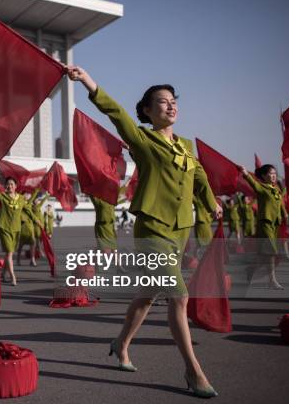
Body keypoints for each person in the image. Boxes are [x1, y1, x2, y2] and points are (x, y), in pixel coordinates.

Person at [66, 65, 222, 398]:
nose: (171, 105)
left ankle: (120, 343)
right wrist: (89, 82)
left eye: (173, 100)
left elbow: (200, 178)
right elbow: (117, 114)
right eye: (162, 102)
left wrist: (210, 203)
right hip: (152, 227)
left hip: (180, 228)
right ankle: (194, 372)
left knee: (148, 295)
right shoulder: (144, 139)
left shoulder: (187, 147)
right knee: (178, 296)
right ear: (149, 111)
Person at [0, 177, 41, 286]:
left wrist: (37, 221)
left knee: (9, 253)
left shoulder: (21, 199)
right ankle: (13, 277)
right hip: (4, 227)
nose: (9, 186)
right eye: (7, 184)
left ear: (16, 186)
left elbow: (28, 211)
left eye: (11, 184)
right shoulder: (2, 196)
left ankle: (2, 274)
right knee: (9, 253)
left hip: (16, 229)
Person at [240, 164, 287, 290]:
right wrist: (245, 174)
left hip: (274, 224)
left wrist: (283, 214)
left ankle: (251, 269)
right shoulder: (262, 188)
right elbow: (254, 184)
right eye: (270, 174)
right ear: (263, 176)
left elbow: (281, 200)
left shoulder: (275, 189)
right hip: (265, 224)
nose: (273, 176)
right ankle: (272, 280)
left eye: (274, 174)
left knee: (264, 254)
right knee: (271, 251)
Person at [17, 189, 39, 267]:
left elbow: (33, 196)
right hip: (22, 226)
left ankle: (32, 260)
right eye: (25, 194)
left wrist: (38, 189)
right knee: (21, 245)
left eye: (27, 194)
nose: (27, 195)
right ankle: (18, 259)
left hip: (30, 226)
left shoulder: (29, 203)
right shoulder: (19, 203)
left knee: (33, 243)